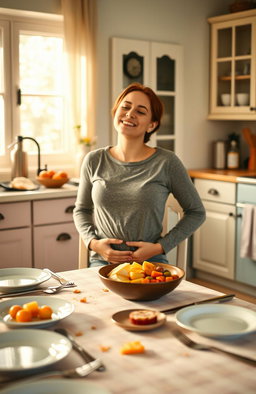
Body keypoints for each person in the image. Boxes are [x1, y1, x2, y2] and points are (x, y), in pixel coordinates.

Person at [73, 83, 206, 267]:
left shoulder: (167, 162)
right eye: (125, 107)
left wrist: (160, 247)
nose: (129, 114)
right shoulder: (94, 160)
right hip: (103, 263)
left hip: (150, 263)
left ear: (152, 125)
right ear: (116, 112)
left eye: (140, 111)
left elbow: (196, 212)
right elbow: (82, 210)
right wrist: (95, 244)